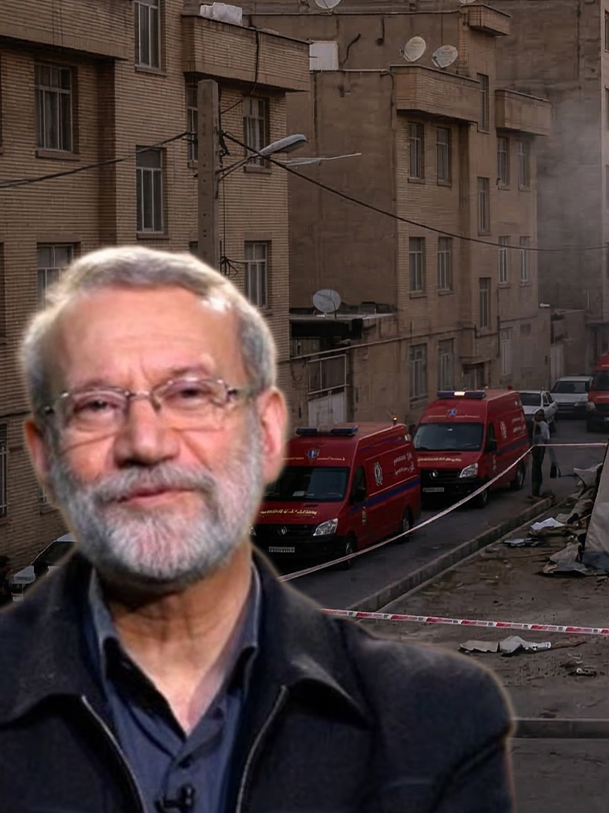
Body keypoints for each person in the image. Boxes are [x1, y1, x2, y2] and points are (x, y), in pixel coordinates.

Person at [0, 247, 514, 812]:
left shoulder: (434, 720)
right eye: (96, 405)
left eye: (191, 394)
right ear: (44, 455)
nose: (146, 443)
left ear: (267, 435)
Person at [530, 410, 553, 498]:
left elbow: (546, 438)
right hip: (533, 448)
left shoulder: (544, 425)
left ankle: (536, 490)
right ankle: (534, 490)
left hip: (540, 449)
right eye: (538, 415)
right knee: (535, 469)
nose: (539, 417)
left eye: (541, 416)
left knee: (537, 468)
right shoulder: (531, 424)